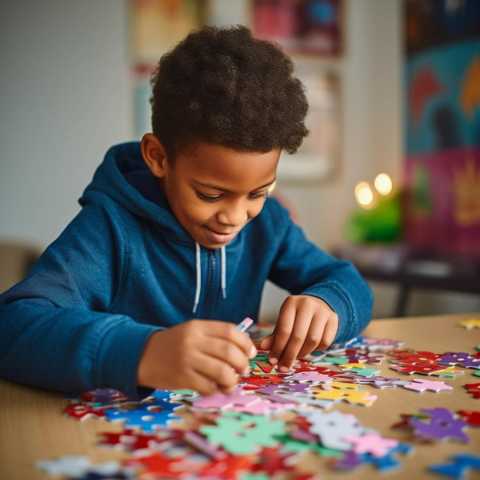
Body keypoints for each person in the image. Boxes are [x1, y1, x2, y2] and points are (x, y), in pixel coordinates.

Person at [0, 26, 372, 398]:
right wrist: (142, 352)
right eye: (211, 194)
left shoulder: (269, 224)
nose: (235, 216)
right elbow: (13, 326)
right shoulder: (111, 226)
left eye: (258, 192)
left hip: (225, 427)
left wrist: (329, 303)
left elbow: (347, 281)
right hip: (118, 431)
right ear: (159, 158)